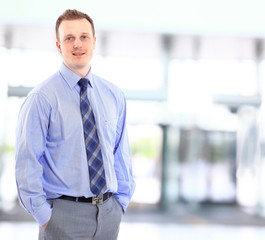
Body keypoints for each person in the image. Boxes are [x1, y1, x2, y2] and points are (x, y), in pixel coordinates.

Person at [15, 9, 135, 240]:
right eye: (69, 38)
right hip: (62, 217)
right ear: (59, 46)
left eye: (83, 37)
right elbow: (27, 163)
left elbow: (120, 154)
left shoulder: (113, 95)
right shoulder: (41, 98)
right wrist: (45, 216)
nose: (77, 44)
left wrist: (121, 203)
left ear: (94, 42)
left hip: (109, 215)